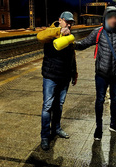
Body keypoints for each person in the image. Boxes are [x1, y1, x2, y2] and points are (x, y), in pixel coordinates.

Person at [75, 6, 116, 140]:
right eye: (111, 17)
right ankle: (98, 127)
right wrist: (69, 41)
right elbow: (83, 44)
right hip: (101, 74)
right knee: (100, 100)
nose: (114, 20)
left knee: (114, 100)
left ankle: (113, 124)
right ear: (105, 18)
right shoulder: (98, 32)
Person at [37, 11, 78, 151]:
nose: (69, 24)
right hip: (50, 76)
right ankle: (44, 136)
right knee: (47, 106)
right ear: (60, 20)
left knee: (59, 105)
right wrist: (59, 31)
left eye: (71, 22)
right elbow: (39, 36)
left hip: (65, 76)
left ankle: (56, 128)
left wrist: (74, 72)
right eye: (67, 21)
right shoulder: (50, 32)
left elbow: (72, 55)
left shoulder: (69, 36)